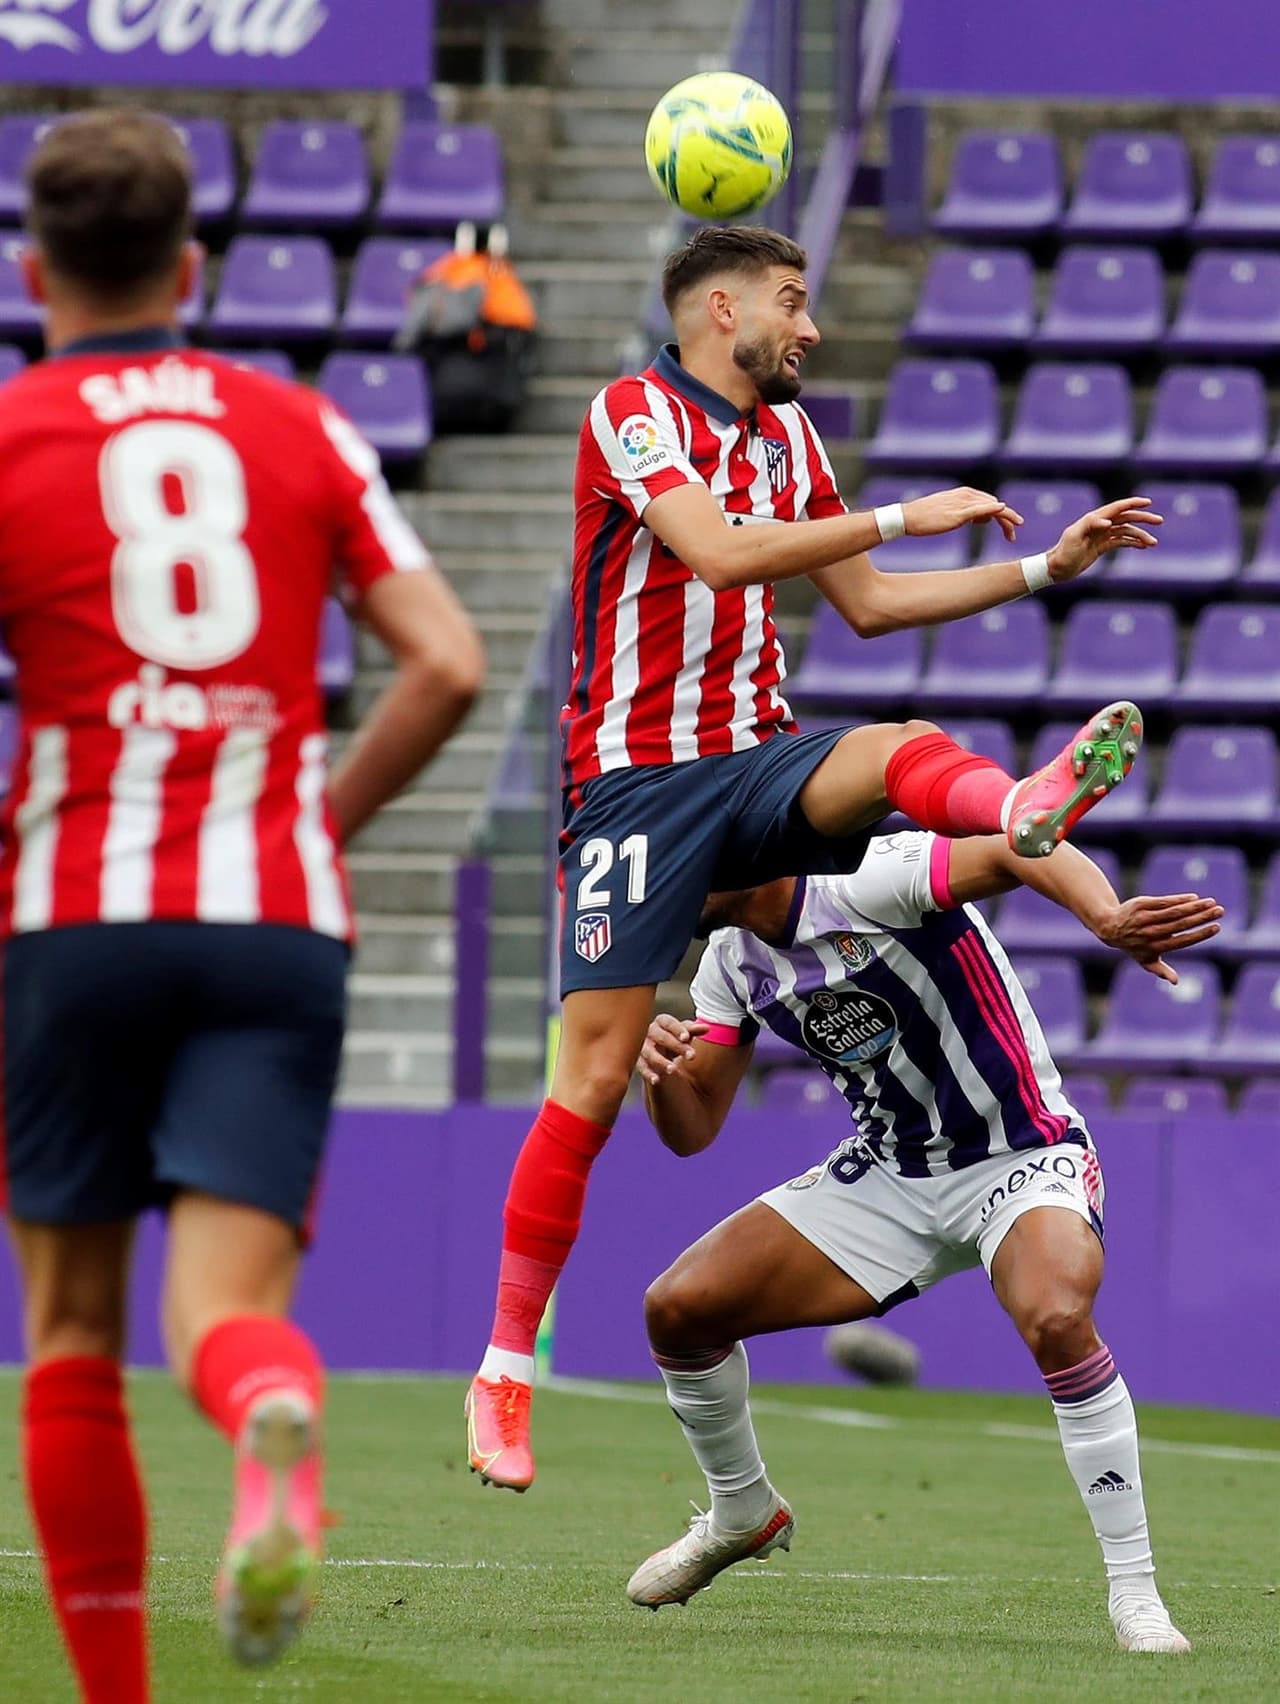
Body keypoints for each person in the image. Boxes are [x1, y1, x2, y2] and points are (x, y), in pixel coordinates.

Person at [465, 221, 1160, 1489]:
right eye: (792, 302)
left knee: (898, 745)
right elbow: (718, 551)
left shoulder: (789, 437)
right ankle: (505, 1371)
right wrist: (904, 510)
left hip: (755, 758)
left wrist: (1039, 568)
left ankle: (1020, 808)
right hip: (634, 788)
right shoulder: (633, 411)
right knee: (596, 1072)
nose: (811, 327)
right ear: (720, 310)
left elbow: (871, 603)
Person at [0, 111, 484, 1703]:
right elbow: (449, 661)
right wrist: (314, 819)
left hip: (76, 912)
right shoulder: (297, 424)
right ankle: (271, 1409)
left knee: (73, 1333)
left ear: (34, 269)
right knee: (226, 1311)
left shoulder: (15, 436)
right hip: (275, 914)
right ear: (191, 264)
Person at [626, 832, 1223, 1653]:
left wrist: (1106, 914)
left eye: (680, 857)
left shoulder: (870, 876)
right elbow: (693, 1132)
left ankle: (1136, 1594)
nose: (663, 883)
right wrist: (658, 1078)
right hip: (892, 1176)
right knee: (679, 1309)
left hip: (1020, 1154)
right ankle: (742, 1510)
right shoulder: (730, 966)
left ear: (738, 849)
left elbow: (1019, 845)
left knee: (1054, 1318)